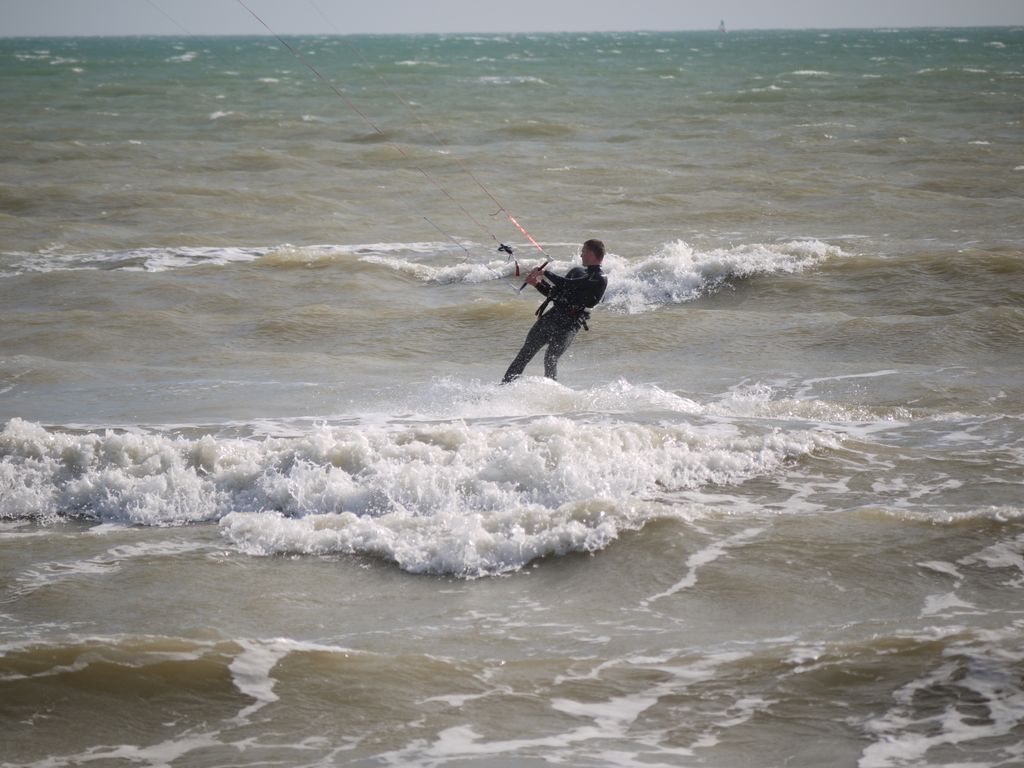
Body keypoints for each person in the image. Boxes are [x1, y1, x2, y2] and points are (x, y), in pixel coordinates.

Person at [501, 239, 608, 383]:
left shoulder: (599, 278)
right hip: (552, 317)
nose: (581, 255)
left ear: (590, 253)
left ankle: (550, 395)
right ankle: (503, 388)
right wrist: (537, 284)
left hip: (570, 324)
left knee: (550, 358)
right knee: (524, 355)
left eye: (583, 252)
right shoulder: (576, 271)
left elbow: (569, 284)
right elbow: (555, 295)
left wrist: (545, 272)